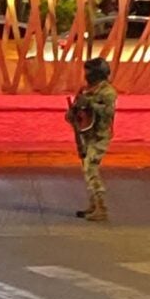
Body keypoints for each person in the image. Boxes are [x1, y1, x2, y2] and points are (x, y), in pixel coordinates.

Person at [65, 58, 117, 222]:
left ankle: (101, 207)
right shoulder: (85, 90)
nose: (86, 75)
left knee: (90, 168)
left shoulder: (108, 92)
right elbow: (74, 112)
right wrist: (73, 113)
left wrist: (90, 103)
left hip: (100, 136)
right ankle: (94, 205)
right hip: (85, 134)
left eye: (89, 71)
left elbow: (107, 113)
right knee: (87, 169)